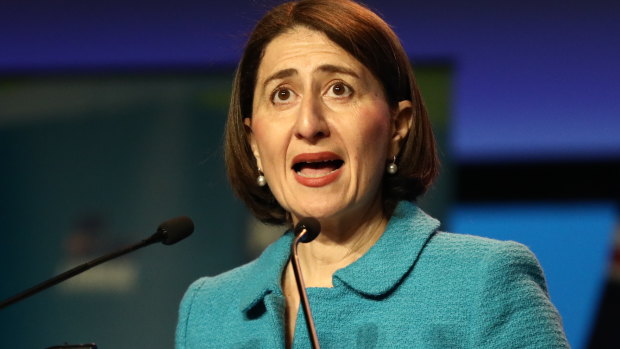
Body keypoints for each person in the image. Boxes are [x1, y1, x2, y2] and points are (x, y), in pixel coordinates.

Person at [176, 0, 569, 347]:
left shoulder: (482, 283)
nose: (309, 124)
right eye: (283, 94)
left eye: (339, 89)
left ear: (398, 126)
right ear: (254, 142)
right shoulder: (210, 310)